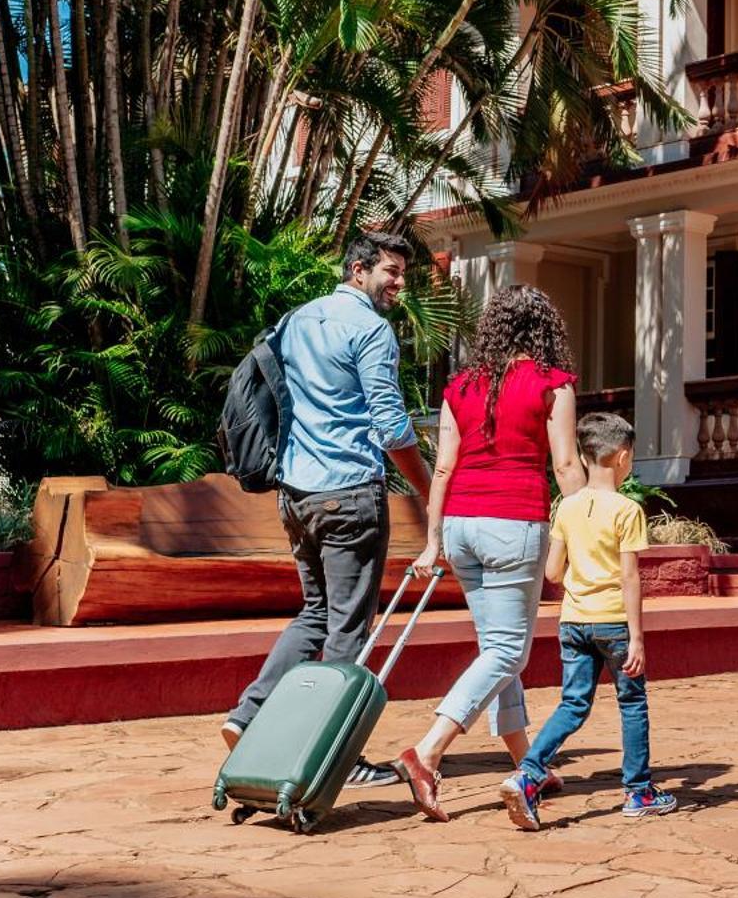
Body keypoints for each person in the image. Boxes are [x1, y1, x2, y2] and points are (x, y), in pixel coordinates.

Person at [221, 231, 431, 791]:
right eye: (390, 271)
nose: (398, 283)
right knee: (348, 629)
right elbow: (391, 427)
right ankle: (335, 754)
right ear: (357, 270)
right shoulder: (369, 330)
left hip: (296, 495)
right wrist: (430, 491)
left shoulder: (296, 320)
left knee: (315, 613)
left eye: (402, 273)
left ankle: (247, 715)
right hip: (349, 495)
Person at [395, 285, 585, 821]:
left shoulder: (460, 386)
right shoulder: (553, 384)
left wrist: (433, 541)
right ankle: (427, 752)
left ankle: (529, 763)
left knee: (498, 649)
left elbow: (445, 469)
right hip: (512, 523)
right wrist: (587, 531)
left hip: (460, 528)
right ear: (544, 328)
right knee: (506, 651)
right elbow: (567, 466)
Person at [497, 412, 676, 829]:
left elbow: (553, 572)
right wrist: (637, 639)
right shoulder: (627, 510)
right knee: (632, 702)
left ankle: (527, 774)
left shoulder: (567, 507)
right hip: (613, 622)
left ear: (582, 454)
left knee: (573, 704)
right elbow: (630, 577)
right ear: (624, 457)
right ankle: (638, 791)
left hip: (573, 621)